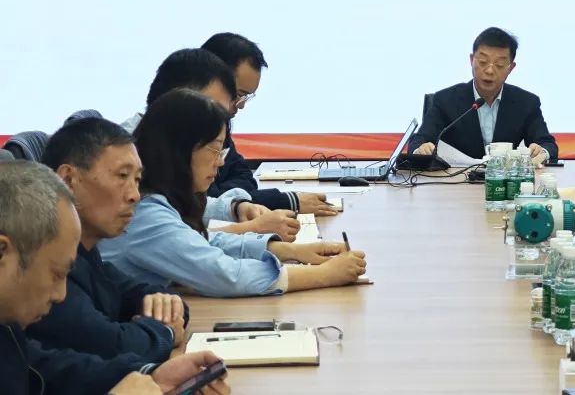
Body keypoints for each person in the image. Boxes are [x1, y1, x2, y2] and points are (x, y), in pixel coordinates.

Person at [100, 89, 367, 297]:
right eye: (215, 150)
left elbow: (201, 243)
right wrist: (325, 275)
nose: (219, 162)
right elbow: (224, 275)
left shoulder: (158, 201)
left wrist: (291, 251)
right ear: (180, 152)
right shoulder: (144, 214)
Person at [0, 161, 229, 395]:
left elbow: (48, 370)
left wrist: (152, 375)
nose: (61, 294)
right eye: (56, 274)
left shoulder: (8, 329)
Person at [28, 117, 187, 363]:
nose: (135, 195)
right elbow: (114, 346)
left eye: (137, 180)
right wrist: (166, 331)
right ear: (68, 181)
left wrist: (167, 305)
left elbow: (140, 291)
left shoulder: (87, 251)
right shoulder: (41, 261)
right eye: (122, 176)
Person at [128, 48, 301, 241]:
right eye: (209, 106)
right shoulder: (126, 153)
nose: (232, 111)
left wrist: (235, 207)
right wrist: (251, 229)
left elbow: (190, 203)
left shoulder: (195, 137)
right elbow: (175, 240)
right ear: (178, 99)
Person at [201, 32, 338, 217]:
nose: (240, 105)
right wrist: (286, 201)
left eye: (246, 97)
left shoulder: (219, 120)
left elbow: (243, 177)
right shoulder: (180, 125)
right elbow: (204, 202)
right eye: (238, 94)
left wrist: (231, 198)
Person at [408, 27, 557, 163]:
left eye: (499, 65)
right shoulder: (445, 100)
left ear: (510, 68)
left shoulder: (526, 103)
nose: (489, 71)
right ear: (471, 60)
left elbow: (547, 144)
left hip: (503, 180)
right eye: (483, 62)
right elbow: (419, 141)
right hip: (456, 181)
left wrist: (542, 152)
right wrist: (421, 150)